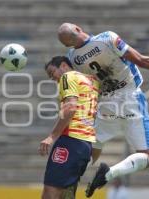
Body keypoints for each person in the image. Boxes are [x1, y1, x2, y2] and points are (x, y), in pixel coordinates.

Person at [57, 22, 149, 197]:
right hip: (130, 98)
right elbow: (142, 61)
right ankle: (109, 173)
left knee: (94, 146)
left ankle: (71, 178)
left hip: (104, 104)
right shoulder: (107, 38)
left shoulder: (72, 57)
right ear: (78, 28)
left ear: (67, 44)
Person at [39, 56, 100, 199]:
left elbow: (71, 107)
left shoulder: (68, 76)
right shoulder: (92, 81)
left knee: (50, 193)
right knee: (66, 195)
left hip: (70, 141)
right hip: (85, 145)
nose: (51, 78)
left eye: (52, 72)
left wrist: (51, 136)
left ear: (64, 65)